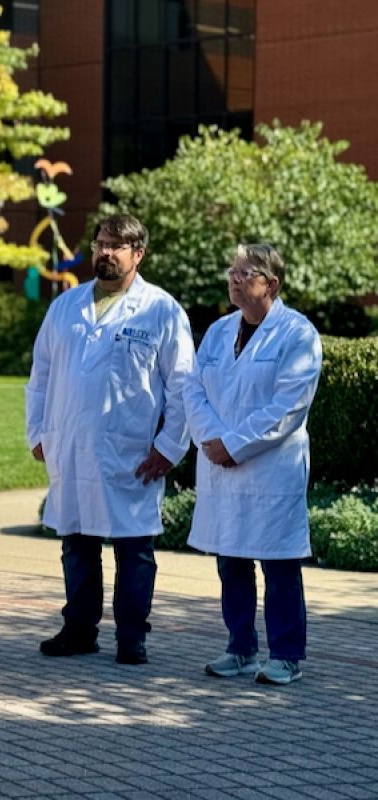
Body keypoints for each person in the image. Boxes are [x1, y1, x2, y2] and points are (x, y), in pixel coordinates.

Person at [25, 212, 194, 665]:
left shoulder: (160, 309)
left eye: (116, 246)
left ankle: (132, 637)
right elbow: (40, 374)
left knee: (133, 547)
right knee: (76, 542)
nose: (105, 252)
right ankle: (79, 629)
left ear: (138, 254)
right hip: (71, 445)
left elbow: (182, 386)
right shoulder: (66, 306)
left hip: (132, 451)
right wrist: (37, 431)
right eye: (101, 243)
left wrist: (169, 446)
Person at [185, 244, 322, 686]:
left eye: (246, 273)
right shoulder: (219, 331)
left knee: (278, 563)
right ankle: (240, 648)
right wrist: (212, 439)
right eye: (233, 271)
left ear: (272, 284)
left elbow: (289, 406)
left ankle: (286, 654)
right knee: (231, 561)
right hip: (221, 463)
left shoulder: (297, 334)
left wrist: (233, 444)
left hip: (270, 467)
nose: (235, 279)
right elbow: (193, 389)